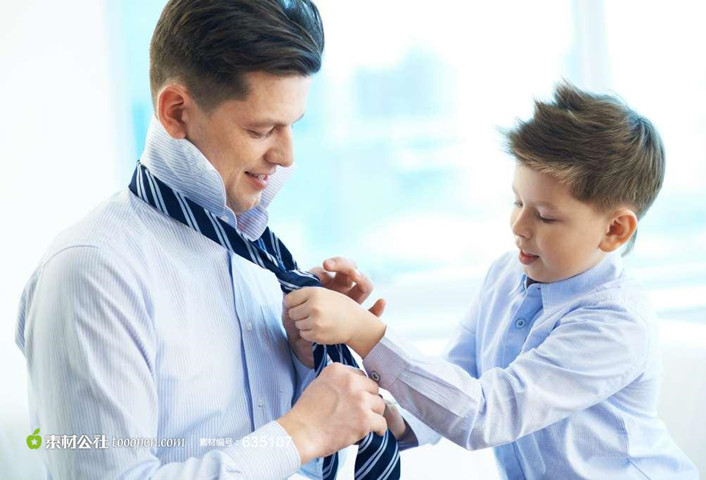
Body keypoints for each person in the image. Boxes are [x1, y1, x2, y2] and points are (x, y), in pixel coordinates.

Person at [15, 1, 431, 478]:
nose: (286, 155)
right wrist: (301, 432)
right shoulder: (92, 272)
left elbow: (283, 456)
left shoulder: (263, 261)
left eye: (293, 126)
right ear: (176, 112)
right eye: (262, 129)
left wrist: (308, 358)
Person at [284, 83, 699, 478]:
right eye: (517, 201)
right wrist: (397, 418)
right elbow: (458, 377)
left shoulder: (615, 324)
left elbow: (486, 415)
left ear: (614, 230)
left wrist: (363, 331)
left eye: (545, 216)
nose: (518, 226)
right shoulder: (506, 274)